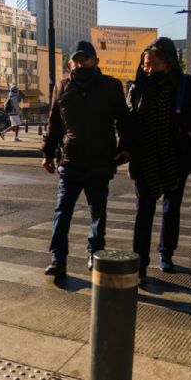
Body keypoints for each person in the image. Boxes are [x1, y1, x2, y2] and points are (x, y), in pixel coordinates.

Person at [41, 41, 132, 279]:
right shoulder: (62, 87)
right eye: (77, 60)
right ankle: (58, 258)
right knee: (62, 212)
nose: (81, 64)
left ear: (96, 62)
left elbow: (124, 120)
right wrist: (47, 153)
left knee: (97, 212)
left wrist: (125, 148)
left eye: (86, 59)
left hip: (100, 161)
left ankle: (95, 252)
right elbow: (54, 123)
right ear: (71, 63)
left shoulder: (111, 86)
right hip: (70, 161)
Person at [127, 37, 191, 280]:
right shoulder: (137, 87)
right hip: (145, 157)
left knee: (171, 208)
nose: (149, 68)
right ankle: (140, 262)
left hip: (175, 156)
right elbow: (130, 121)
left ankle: (166, 253)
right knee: (143, 211)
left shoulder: (185, 85)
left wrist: (180, 121)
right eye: (146, 63)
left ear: (169, 63)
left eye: (155, 63)